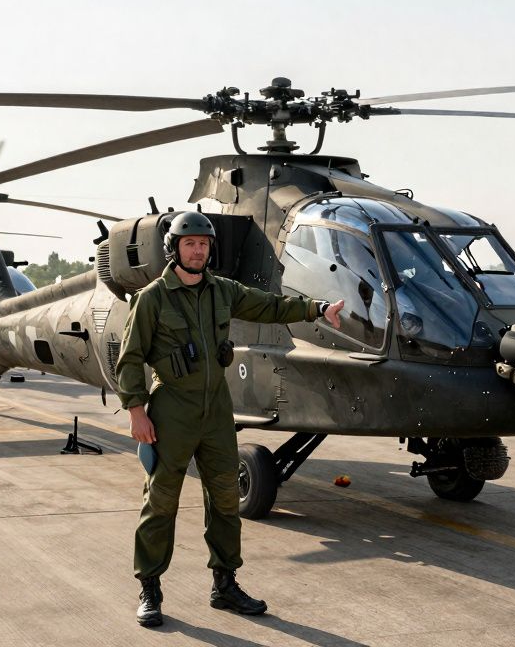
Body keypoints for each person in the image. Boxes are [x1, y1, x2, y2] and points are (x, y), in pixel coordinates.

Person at [116, 212, 345, 628]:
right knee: (161, 502)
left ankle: (224, 585)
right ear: (174, 249)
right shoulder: (153, 298)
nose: (198, 250)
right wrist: (136, 412)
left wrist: (318, 308)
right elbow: (130, 358)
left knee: (225, 500)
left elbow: (270, 306)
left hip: (218, 411)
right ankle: (149, 588)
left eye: (204, 244)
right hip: (172, 409)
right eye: (190, 244)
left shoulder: (222, 291)